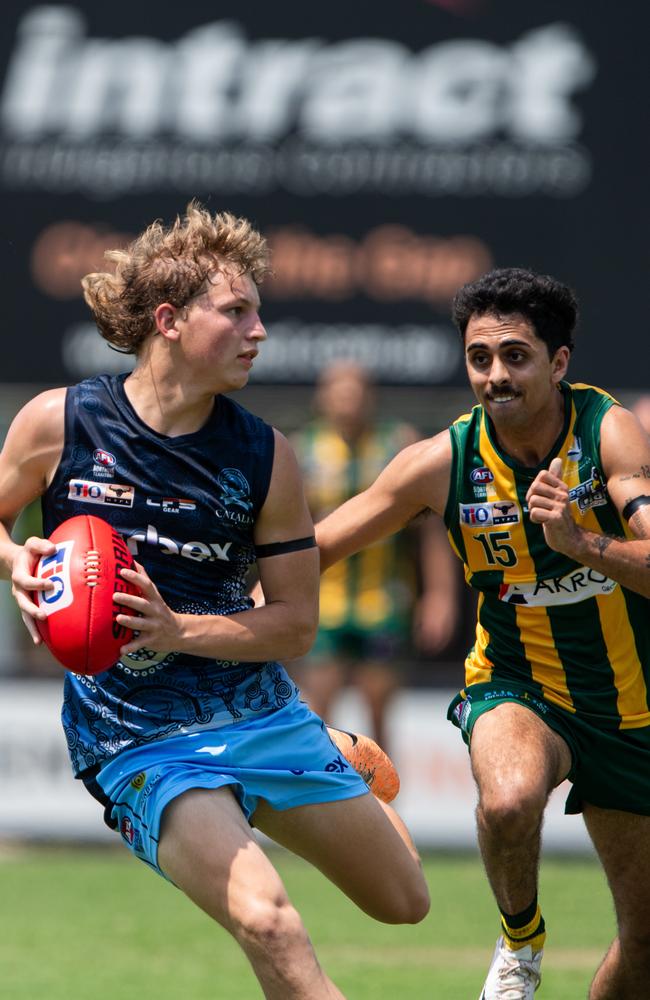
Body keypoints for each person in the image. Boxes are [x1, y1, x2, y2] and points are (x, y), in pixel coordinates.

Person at [0, 202, 429, 1000]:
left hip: (259, 712)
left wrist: (176, 627)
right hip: (137, 735)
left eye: (257, 313)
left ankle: (328, 747)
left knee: (405, 901)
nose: (259, 331)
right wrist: (16, 561)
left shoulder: (266, 456)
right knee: (269, 921)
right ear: (169, 320)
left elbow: (297, 623)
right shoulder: (60, 422)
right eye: (237, 312)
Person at [314, 267, 650, 999]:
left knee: (646, 949)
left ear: (559, 363)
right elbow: (315, 549)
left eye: (516, 356)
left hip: (633, 707)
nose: (495, 375)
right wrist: (201, 604)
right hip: (517, 682)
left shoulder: (609, 431)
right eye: (479, 358)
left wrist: (585, 544)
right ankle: (521, 943)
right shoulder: (443, 461)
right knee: (507, 798)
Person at [291, 360, 460, 751]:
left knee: (379, 710)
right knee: (318, 708)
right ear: (323, 396)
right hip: (325, 601)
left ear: (371, 395)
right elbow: (284, 533)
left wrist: (440, 596)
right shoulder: (303, 451)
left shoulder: (397, 443)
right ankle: (323, 800)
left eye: (356, 389)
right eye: (339, 389)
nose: (348, 399)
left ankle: (384, 803)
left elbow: (432, 532)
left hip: (383, 600)